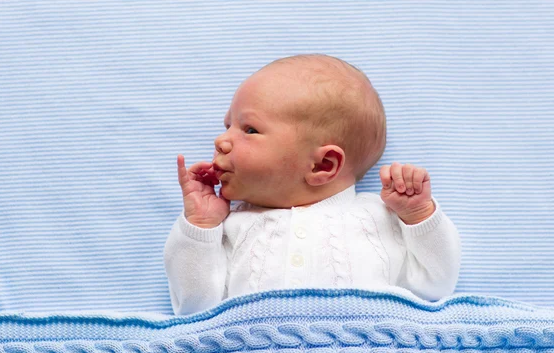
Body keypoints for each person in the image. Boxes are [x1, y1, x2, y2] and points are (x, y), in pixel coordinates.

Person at [164, 54, 460, 315]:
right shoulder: (232, 226)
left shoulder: (379, 216)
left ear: (323, 165)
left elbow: (436, 287)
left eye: (249, 129)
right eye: (228, 126)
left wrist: (419, 217)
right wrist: (201, 225)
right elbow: (195, 309)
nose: (221, 140)